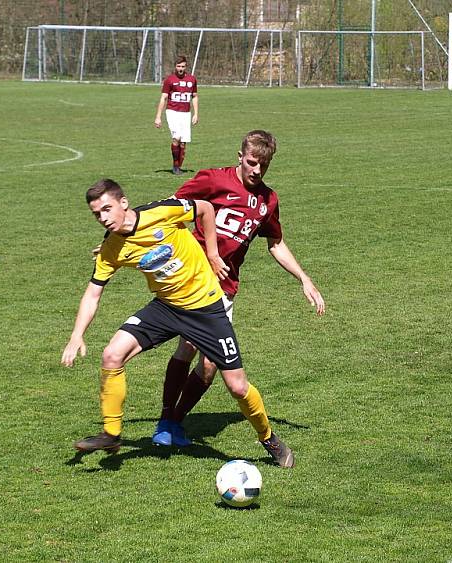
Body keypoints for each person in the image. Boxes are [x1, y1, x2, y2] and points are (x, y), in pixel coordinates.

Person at [61, 179, 295, 468]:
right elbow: (93, 291)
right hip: (166, 308)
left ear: (123, 203)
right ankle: (111, 433)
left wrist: (212, 253)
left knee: (236, 386)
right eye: (97, 214)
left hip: (206, 308)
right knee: (111, 354)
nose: (104, 218)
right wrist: (76, 335)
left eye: (107, 209)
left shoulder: (161, 212)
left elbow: (206, 209)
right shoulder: (112, 248)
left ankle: (268, 437)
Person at [151, 130, 326, 448]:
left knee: (211, 362)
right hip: (196, 278)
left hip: (227, 286)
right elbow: (171, 209)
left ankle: (175, 421)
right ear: (240, 156)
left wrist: (304, 278)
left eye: (264, 165)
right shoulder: (213, 181)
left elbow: (276, 243)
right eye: (251, 162)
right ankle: (166, 420)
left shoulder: (268, 200)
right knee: (188, 346)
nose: (257, 170)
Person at [154, 55, 198, 175]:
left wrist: (196, 114)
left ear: (186, 67)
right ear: (175, 66)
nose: (180, 68)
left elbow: (194, 97)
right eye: (178, 66)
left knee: (183, 142)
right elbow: (163, 98)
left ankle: (178, 166)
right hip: (172, 112)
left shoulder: (192, 79)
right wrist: (158, 117)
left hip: (186, 114)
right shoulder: (169, 80)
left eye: (183, 66)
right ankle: (175, 166)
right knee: (176, 138)